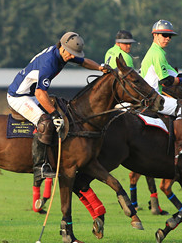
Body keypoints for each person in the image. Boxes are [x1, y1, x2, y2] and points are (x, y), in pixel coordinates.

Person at [8, 32, 111, 179]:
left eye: (73, 54)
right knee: (45, 122)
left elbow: (83, 61)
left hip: (32, 94)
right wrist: (54, 114)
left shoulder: (64, 51)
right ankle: (40, 168)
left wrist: (100, 68)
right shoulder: (49, 63)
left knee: (64, 111)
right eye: (70, 54)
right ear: (62, 47)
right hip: (19, 96)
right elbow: (40, 93)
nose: (71, 57)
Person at [140, 19, 182, 161]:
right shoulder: (157, 54)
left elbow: (176, 75)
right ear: (155, 35)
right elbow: (167, 82)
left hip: (149, 96)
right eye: (164, 35)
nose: (168, 38)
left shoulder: (158, 53)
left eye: (170, 36)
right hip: (152, 98)